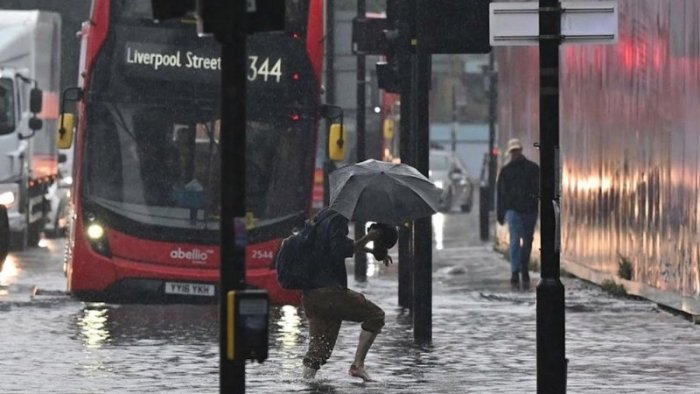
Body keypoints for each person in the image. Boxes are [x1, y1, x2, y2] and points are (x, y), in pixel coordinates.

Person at [301, 209, 397, 382]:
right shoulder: (338, 220)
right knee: (376, 316)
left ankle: (304, 384)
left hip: (310, 294)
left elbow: (331, 248)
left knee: (317, 353)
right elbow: (341, 249)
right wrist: (370, 237)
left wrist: (371, 250)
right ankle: (357, 366)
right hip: (329, 293)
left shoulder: (321, 218)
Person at [496, 138, 539, 289]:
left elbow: (501, 194)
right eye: (513, 151)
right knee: (516, 240)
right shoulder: (510, 171)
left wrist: (501, 213)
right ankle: (516, 271)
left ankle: (523, 268)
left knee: (526, 240)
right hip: (516, 210)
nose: (515, 153)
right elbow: (501, 194)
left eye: (516, 151)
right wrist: (501, 213)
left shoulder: (530, 169)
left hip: (526, 210)